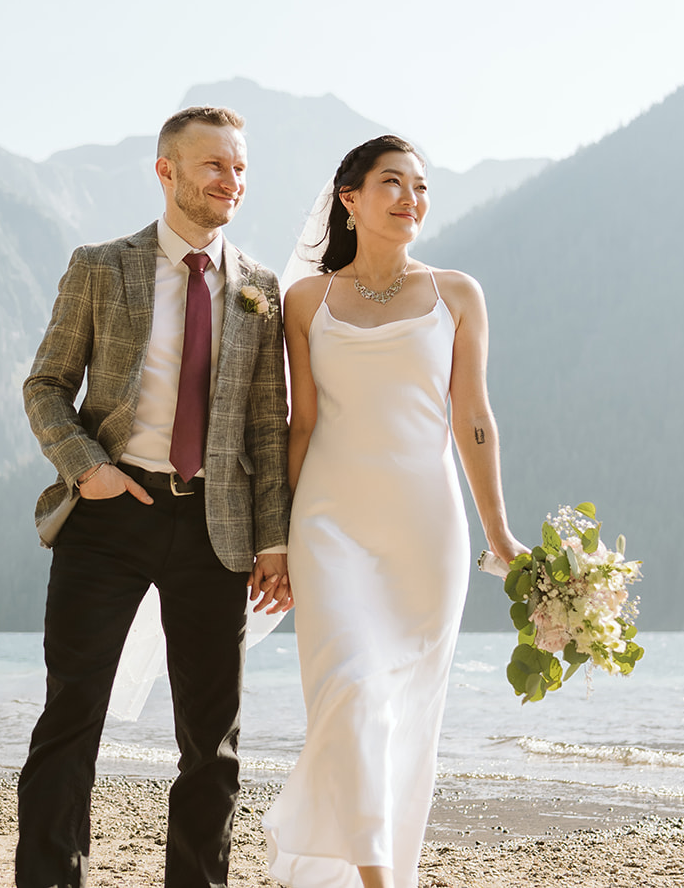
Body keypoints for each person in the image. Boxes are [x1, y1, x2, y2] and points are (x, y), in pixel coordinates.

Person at [18, 105, 293, 888]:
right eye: (214, 165)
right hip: (109, 513)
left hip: (217, 527)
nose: (231, 181)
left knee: (214, 740)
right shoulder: (102, 267)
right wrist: (88, 468)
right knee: (71, 721)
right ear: (166, 171)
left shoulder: (262, 290)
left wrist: (272, 540)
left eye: (239, 167)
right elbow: (46, 385)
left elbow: (266, 433)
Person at [263, 135, 527, 888]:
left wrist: (499, 533)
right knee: (348, 687)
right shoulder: (307, 301)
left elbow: (474, 418)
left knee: (406, 709)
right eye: (393, 183)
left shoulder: (457, 293)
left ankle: (384, 868)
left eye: (420, 186)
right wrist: (277, 538)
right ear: (349, 199)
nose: (411, 198)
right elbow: (302, 423)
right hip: (329, 524)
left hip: (426, 531)